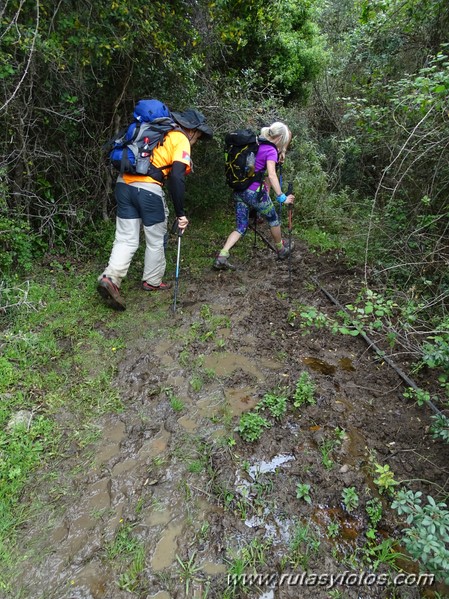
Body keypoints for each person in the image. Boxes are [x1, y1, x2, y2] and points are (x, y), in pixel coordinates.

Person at [97, 108, 213, 310]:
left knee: (126, 238)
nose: (196, 141)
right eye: (198, 137)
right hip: (149, 190)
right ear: (192, 130)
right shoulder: (180, 139)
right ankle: (152, 280)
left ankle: (110, 279)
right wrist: (181, 214)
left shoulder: (155, 131)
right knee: (155, 239)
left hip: (123, 185)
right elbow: (177, 177)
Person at [213, 121, 294, 271]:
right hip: (254, 192)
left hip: (240, 190)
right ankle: (281, 250)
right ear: (281, 137)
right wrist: (282, 197)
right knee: (273, 219)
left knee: (241, 226)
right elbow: (271, 174)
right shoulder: (271, 150)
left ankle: (222, 256)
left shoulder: (256, 143)